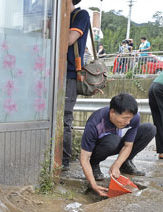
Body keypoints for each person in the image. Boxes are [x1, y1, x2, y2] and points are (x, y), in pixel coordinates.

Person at [80, 93, 156, 197]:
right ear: (112, 112)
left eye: (130, 118)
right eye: (125, 118)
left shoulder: (133, 118)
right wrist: (94, 185)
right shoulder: (95, 123)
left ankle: (125, 162)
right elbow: (84, 159)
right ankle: (94, 164)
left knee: (150, 129)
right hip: (101, 147)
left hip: (117, 143)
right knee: (112, 141)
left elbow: (128, 145)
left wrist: (117, 165)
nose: (128, 122)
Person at [62, 0, 90, 173]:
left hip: (70, 74)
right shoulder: (61, 18)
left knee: (65, 117)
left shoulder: (81, 15)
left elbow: (69, 40)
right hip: (53, 74)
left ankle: (64, 159)